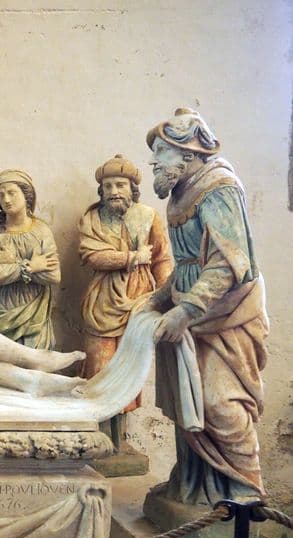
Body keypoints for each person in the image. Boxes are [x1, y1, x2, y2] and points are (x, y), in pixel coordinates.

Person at [146, 108, 269, 504]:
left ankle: (244, 493)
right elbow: (187, 263)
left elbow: (227, 265)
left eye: (161, 152)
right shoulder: (182, 191)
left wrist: (185, 311)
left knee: (220, 402)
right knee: (189, 400)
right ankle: (193, 487)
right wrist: (159, 299)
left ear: (189, 153)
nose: (153, 161)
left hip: (227, 312)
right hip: (191, 312)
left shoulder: (219, 188)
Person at [78, 154, 173, 413]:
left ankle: (119, 432)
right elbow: (91, 255)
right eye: (107, 186)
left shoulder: (148, 216)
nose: (114, 192)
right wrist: (132, 257)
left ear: (132, 188)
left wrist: (166, 298)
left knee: (129, 373)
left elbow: (161, 259)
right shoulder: (92, 218)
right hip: (102, 302)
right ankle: (101, 427)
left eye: (120, 185)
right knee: (99, 369)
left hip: (139, 302)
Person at [0, 169, 60, 349]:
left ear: (26, 196)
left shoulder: (42, 231)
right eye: (1, 195)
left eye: (11, 193)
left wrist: (10, 261)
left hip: (33, 316)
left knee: (33, 364)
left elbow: (53, 276)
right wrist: (29, 267)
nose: (6, 199)